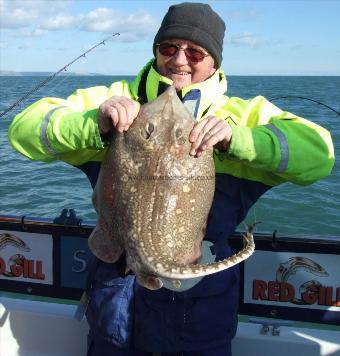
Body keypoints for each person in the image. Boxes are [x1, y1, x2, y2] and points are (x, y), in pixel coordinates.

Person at [8, 2, 334, 356]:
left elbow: (320, 153)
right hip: (116, 290)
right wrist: (93, 124)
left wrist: (239, 140)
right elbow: (23, 130)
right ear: (156, 51)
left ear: (215, 61)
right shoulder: (114, 100)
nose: (179, 60)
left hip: (196, 301)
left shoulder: (241, 114)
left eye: (195, 51)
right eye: (168, 48)